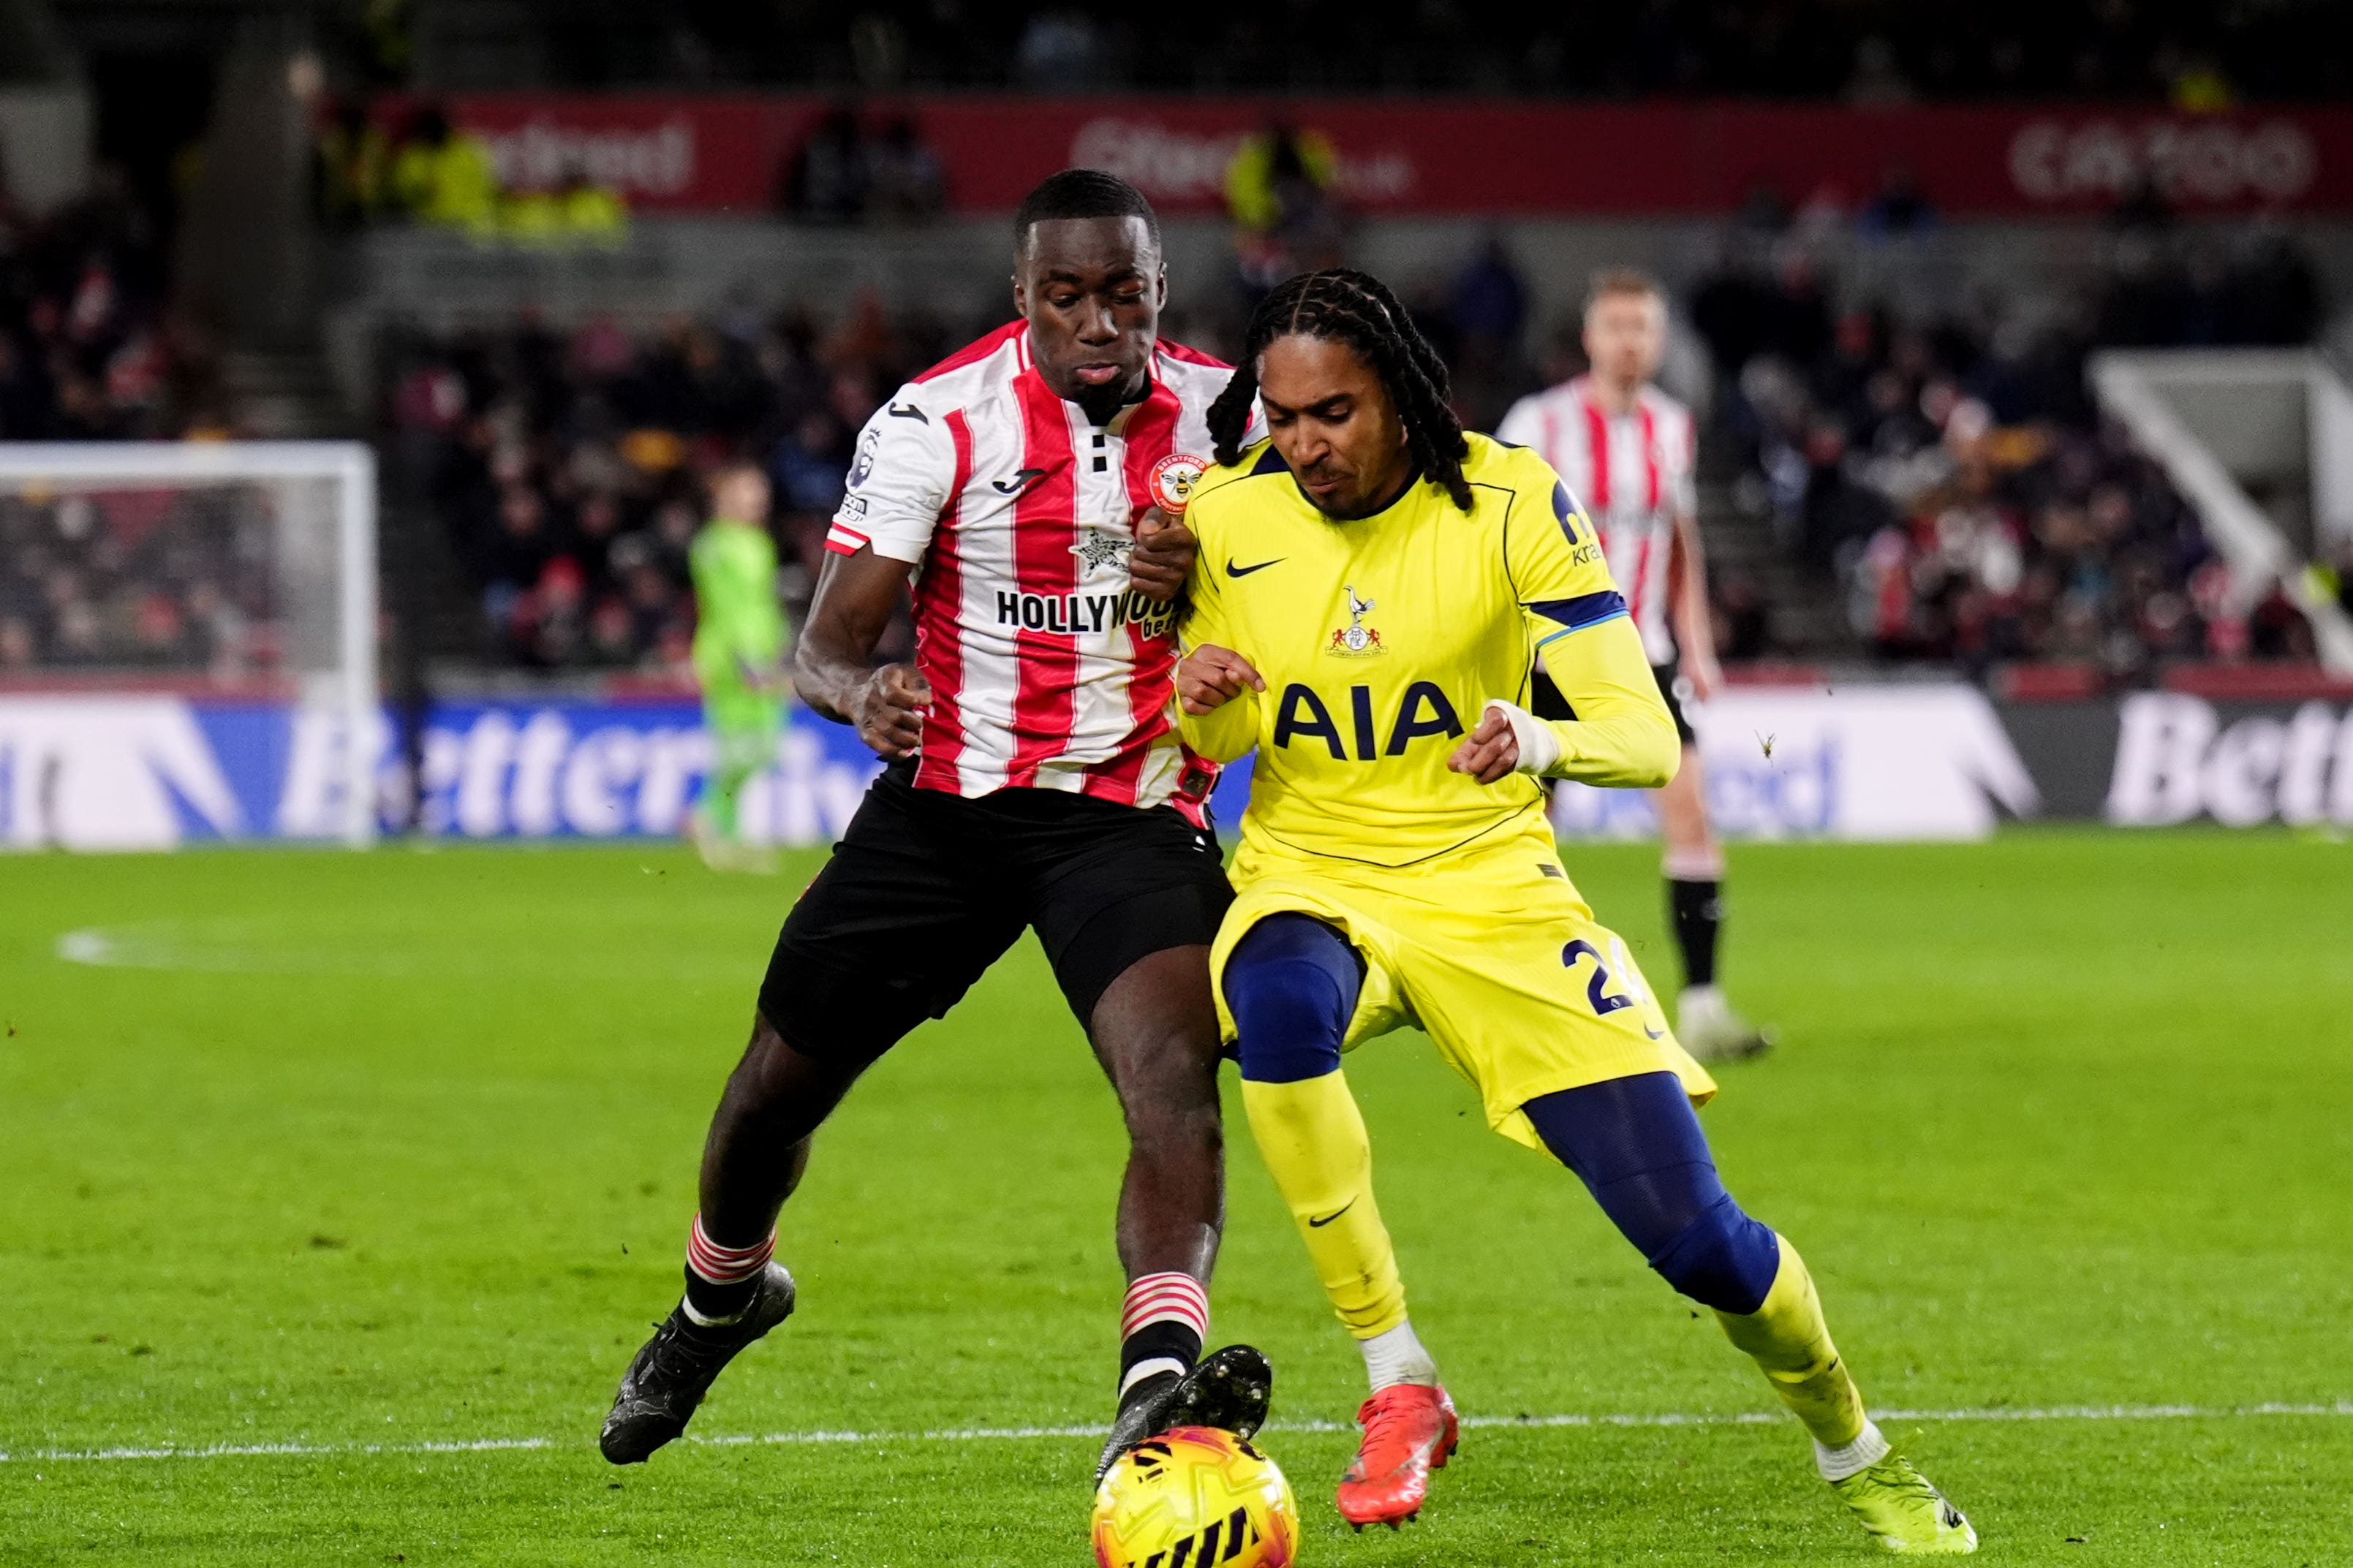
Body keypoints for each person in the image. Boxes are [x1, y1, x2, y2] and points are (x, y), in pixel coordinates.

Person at [1172, 268, 1976, 1553]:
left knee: (1698, 1244)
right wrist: (1198, 690)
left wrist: (1536, 739)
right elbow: (1207, 719)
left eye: (1331, 413)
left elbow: (1641, 736)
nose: (1302, 443)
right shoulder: (1225, 512)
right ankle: (1398, 1378)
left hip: (1492, 891)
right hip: (1309, 869)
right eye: (1279, 415)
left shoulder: (1505, 499)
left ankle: (1855, 1449)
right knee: (1270, 1002)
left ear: (1400, 400)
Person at [600, 170, 1272, 1478]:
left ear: (1158, 295)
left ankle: (1153, 1380)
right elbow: (824, 647)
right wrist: (865, 696)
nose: (1097, 322)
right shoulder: (936, 419)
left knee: (1172, 1085)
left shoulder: (1230, 416)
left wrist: (1212, 576)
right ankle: (716, 1301)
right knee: (769, 1096)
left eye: (1122, 295)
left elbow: (1302, 582)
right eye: (1066, 296)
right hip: (947, 808)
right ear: (1022, 295)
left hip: (1127, 811)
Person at [1496, 270, 1770, 1061]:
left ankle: (1703, 1006)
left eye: (1642, 327)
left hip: (1638, 654)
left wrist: (1699, 647)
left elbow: (1680, 542)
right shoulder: (1537, 422)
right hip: (1543, 655)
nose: (1628, 340)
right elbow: (1496, 534)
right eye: (1615, 325)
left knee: (1689, 814)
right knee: (1529, 836)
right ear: (1587, 337)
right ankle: (1529, 1006)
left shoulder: (1670, 427)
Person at [687, 461, 788, 872]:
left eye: (761, 490)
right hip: (732, 658)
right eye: (749, 490)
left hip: (763, 652)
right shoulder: (714, 545)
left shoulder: (759, 543)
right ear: (724, 496)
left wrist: (777, 650)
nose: (758, 499)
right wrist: (747, 659)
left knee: (762, 746)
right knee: (738, 745)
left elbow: (763, 604)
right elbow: (726, 607)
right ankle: (714, 824)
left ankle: (720, 825)